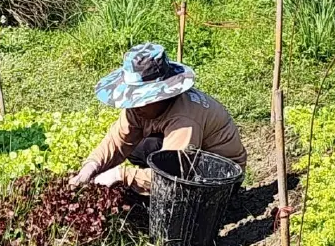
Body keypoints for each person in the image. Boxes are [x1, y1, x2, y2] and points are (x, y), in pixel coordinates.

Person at [70, 43, 246, 193]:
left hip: (219, 177)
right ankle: (148, 183)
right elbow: (117, 140)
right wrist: (91, 166)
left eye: (140, 100)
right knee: (139, 147)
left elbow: (171, 176)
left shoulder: (184, 120)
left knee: (168, 183)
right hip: (192, 158)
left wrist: (121, 176)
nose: (134, 106)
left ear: (160, 96)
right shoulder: (140, 109)